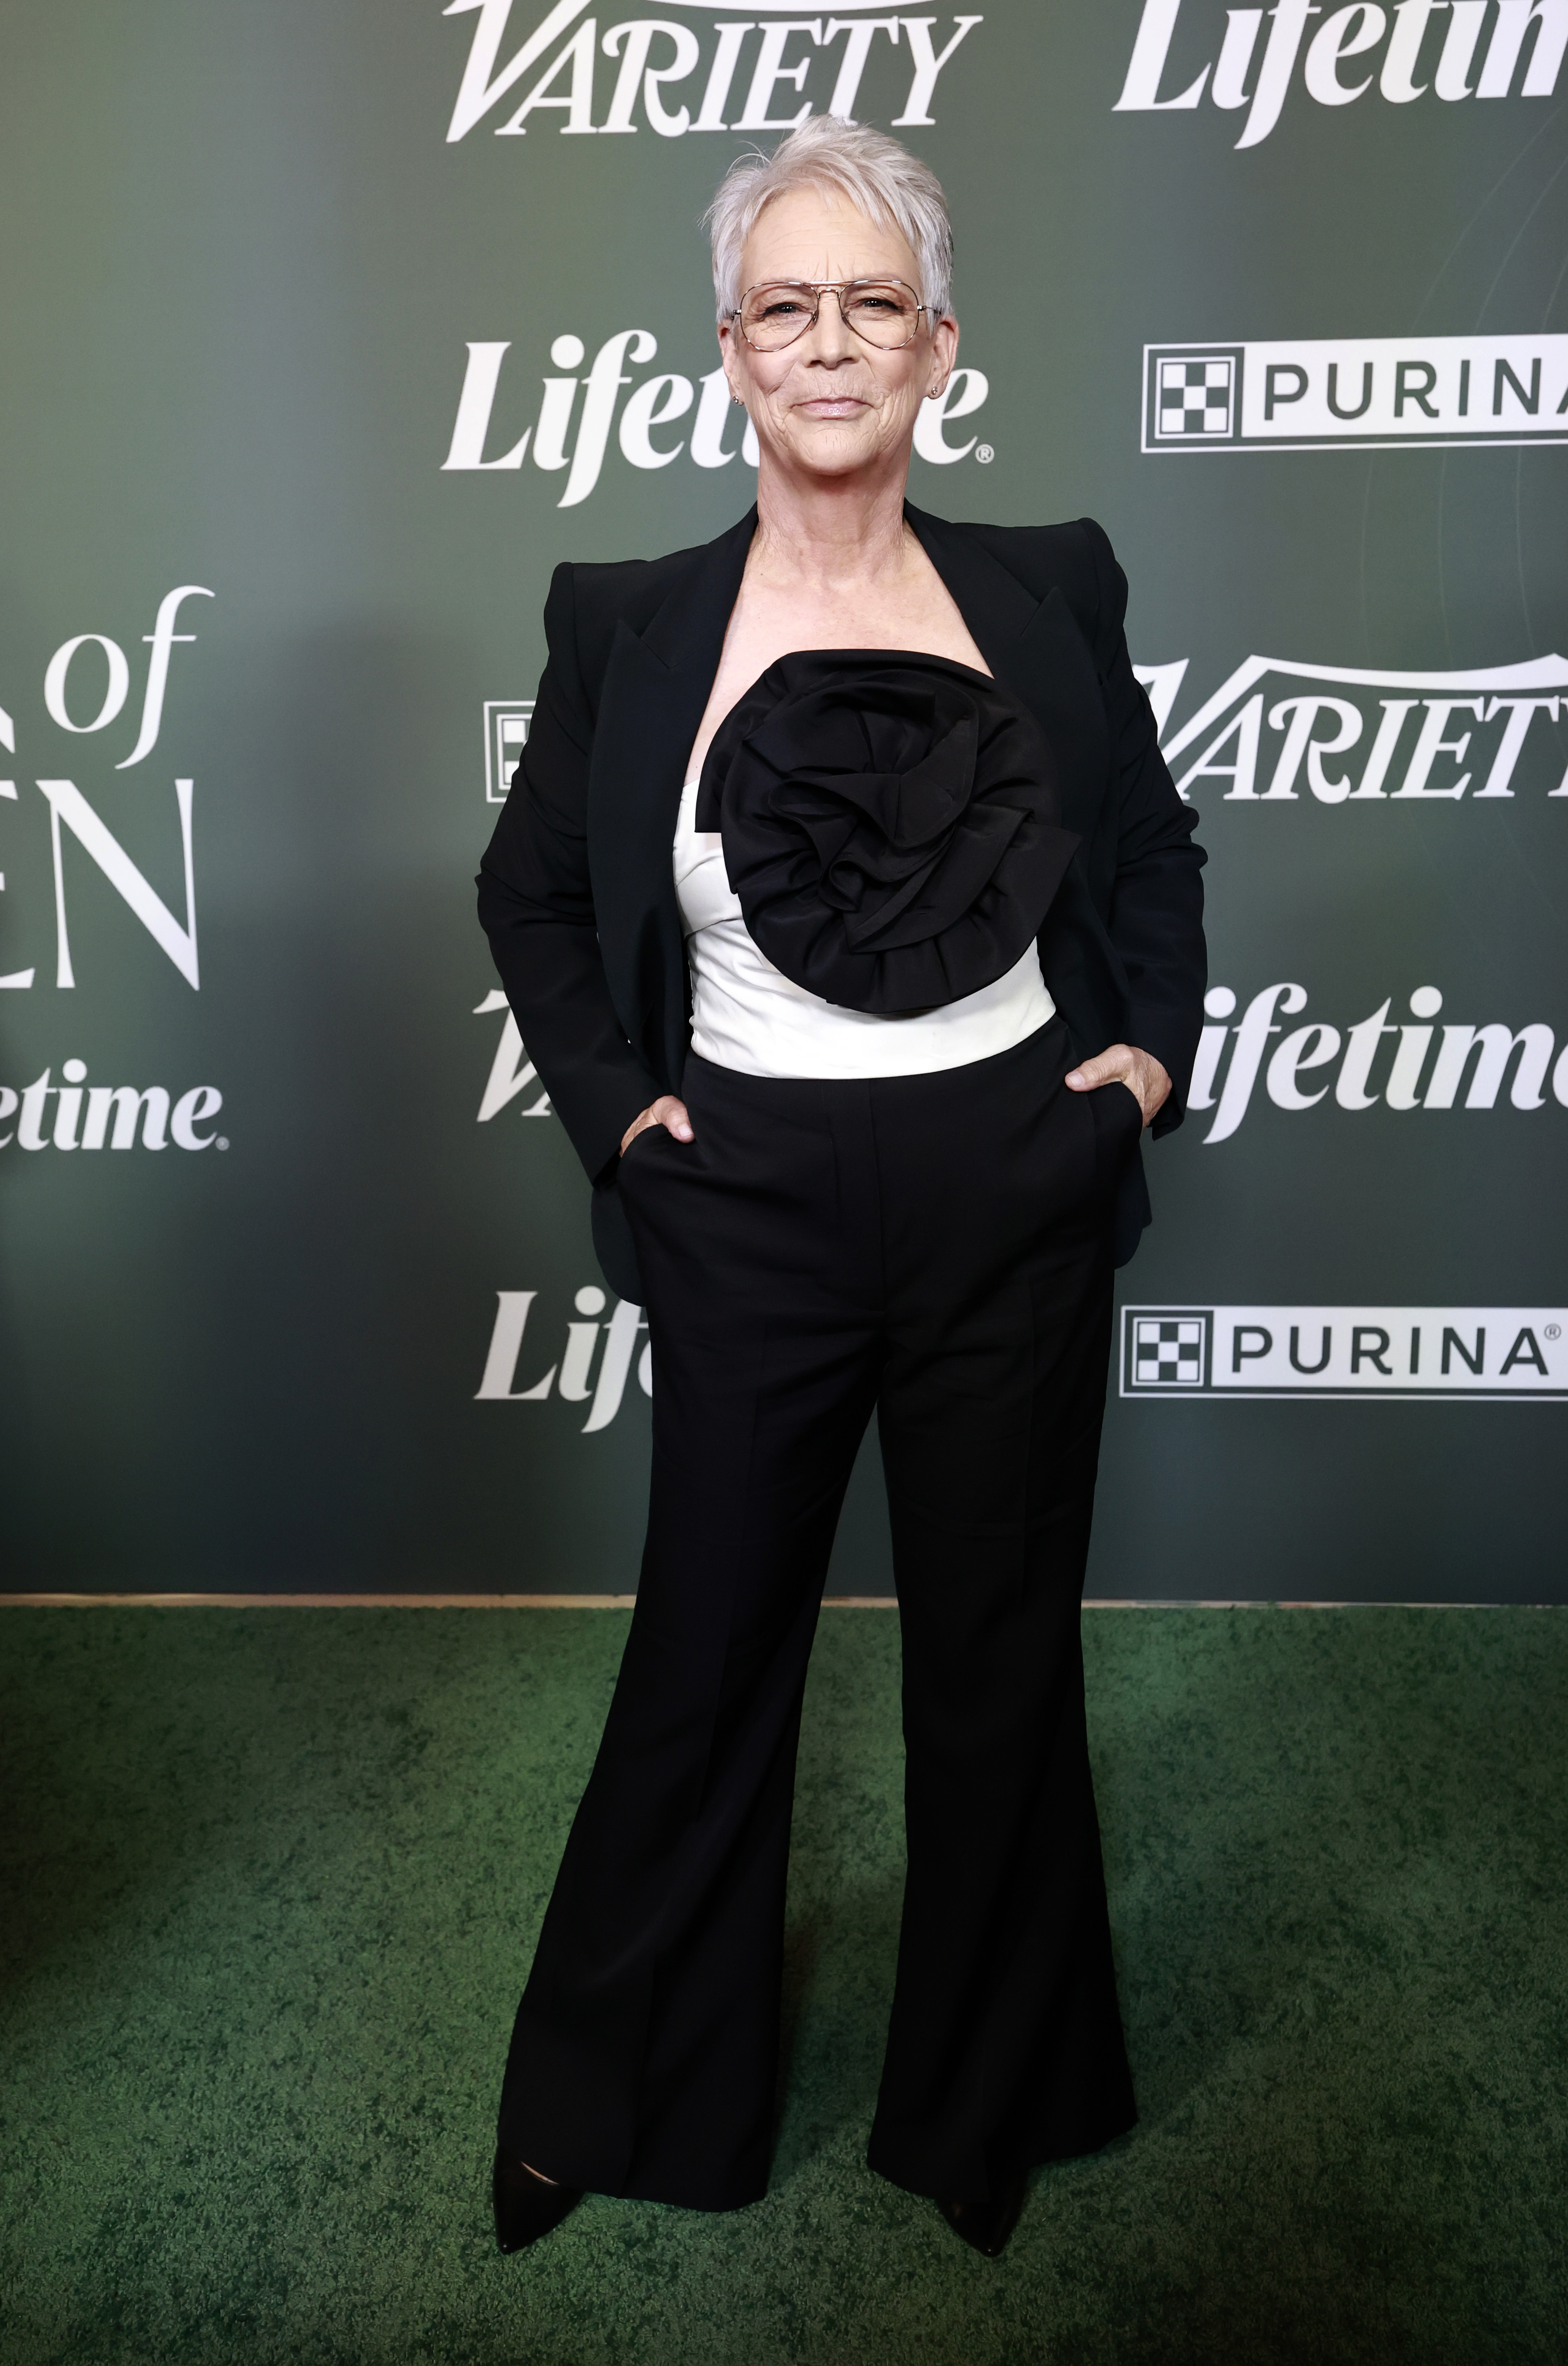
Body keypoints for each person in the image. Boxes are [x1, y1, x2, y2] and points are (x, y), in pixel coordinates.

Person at [477, 117, 1205, 2261]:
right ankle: (618, 2088)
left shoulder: (1052, 582)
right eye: (785, 304)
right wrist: (621, 1109)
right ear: (727, 350)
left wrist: (1142, 1064)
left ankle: (987, 2091)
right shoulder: (628, 620)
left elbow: (1150, 850)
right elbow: (531, 891)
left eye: (869, 302)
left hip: (1013, 1177)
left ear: (938, 344)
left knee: (1000, 1656)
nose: (828, 341)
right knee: (705, 1652)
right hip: (751, 1196)